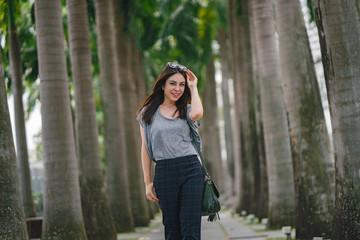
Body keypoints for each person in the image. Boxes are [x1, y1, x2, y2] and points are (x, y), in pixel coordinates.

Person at [136, 62, 205, 240]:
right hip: (164, 171)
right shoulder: (147, 114)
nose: (178, 89)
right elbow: (145, 148)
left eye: (181, 84)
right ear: (163, 85)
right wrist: (147, 182)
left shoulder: (186, 110)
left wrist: (193, 86)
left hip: (191, 168)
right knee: (172, 230)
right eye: (173, 83)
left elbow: (197, 114)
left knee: (191, 229)